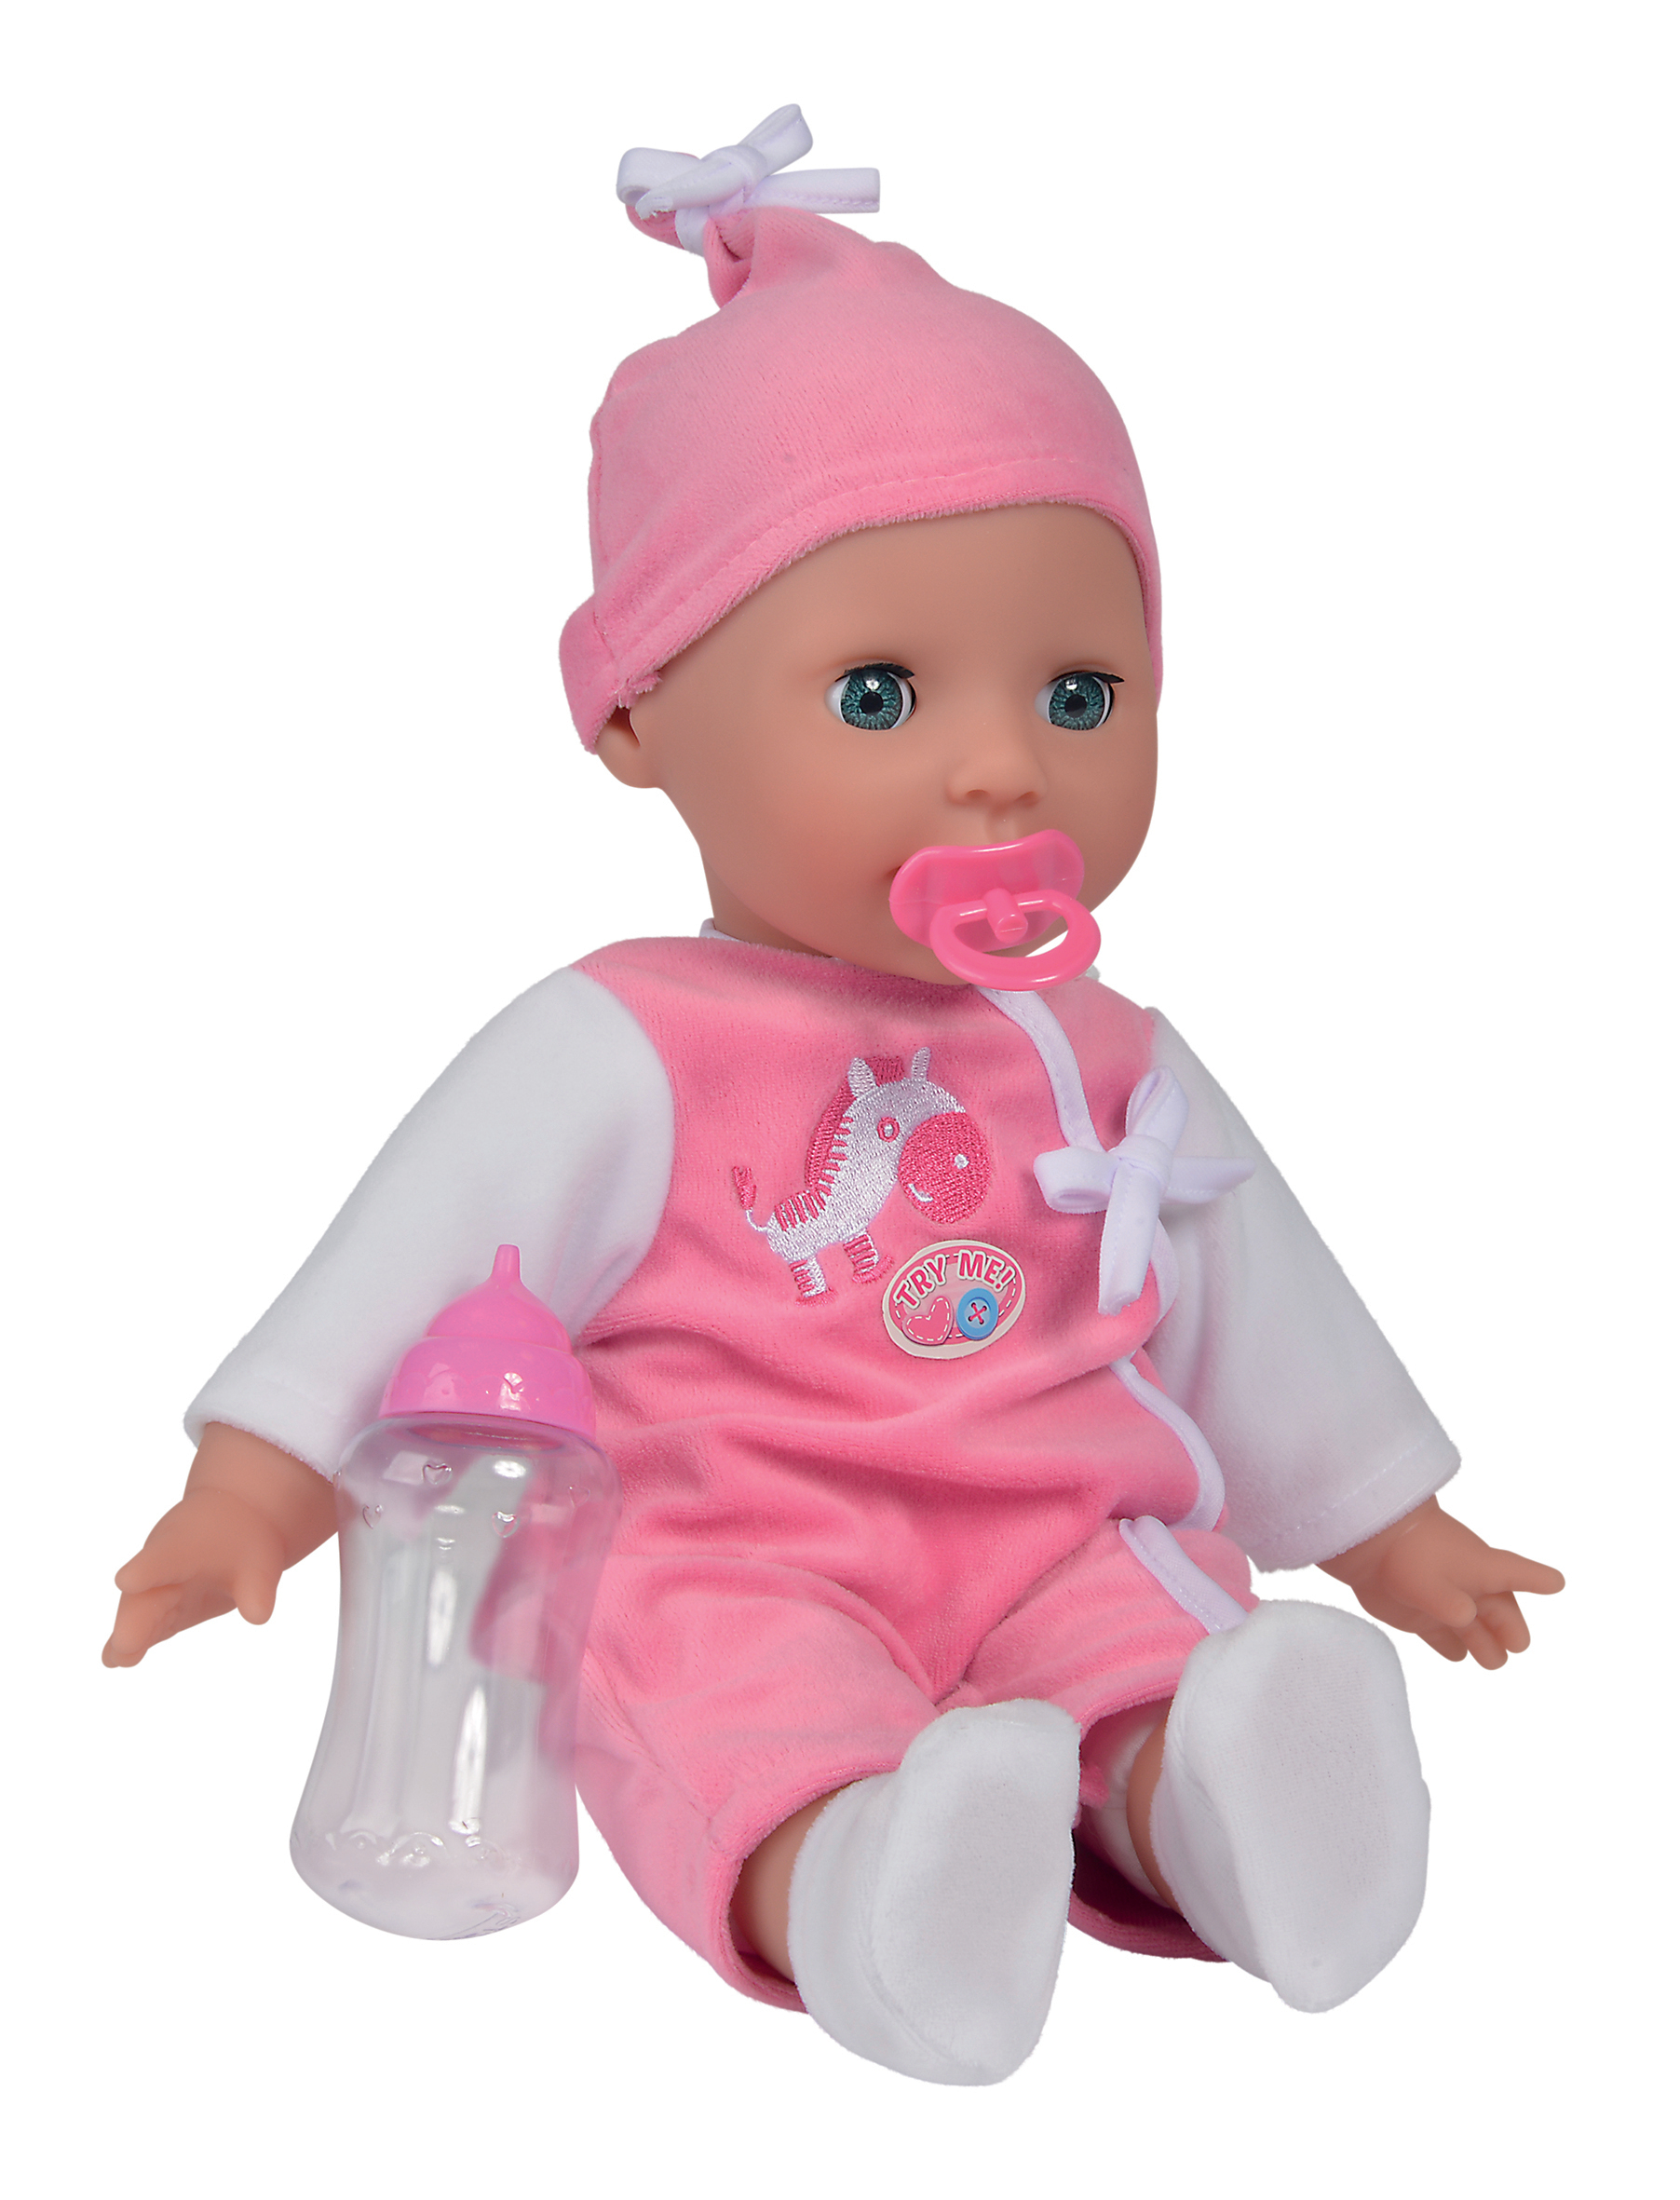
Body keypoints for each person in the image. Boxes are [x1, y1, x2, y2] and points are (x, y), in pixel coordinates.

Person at [104, 111, 1563, 2087]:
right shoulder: (625, 1038)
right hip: (737, 1542)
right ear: (639, 714)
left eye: (1077, 694)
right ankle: (875, 1888)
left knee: (1156, 1636)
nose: (1002, 768)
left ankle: (1231, 1800)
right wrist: (257, 1483)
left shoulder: (1104, 1044)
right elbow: (417, 1252)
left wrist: (1393, 1527)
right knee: (728, 1703)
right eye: (880, 695)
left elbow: (1256, 1295)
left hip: (1055, 1522)